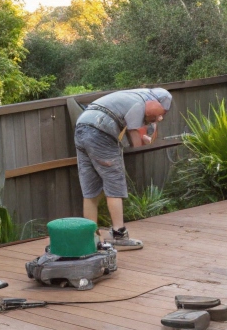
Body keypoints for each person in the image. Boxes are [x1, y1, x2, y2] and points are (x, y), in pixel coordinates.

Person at [73, 87, 171, 249]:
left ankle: (90, 238)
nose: (158, 117)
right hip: (100, 132)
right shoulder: (140, 103)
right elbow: (133, 137)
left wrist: (144, 138)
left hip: (82, 128)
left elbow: (126, 127)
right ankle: (119, 235)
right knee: (114, 184)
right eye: (160, 113)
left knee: (90, 189)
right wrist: (141, 148)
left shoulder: (131, 96)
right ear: (157, 103)